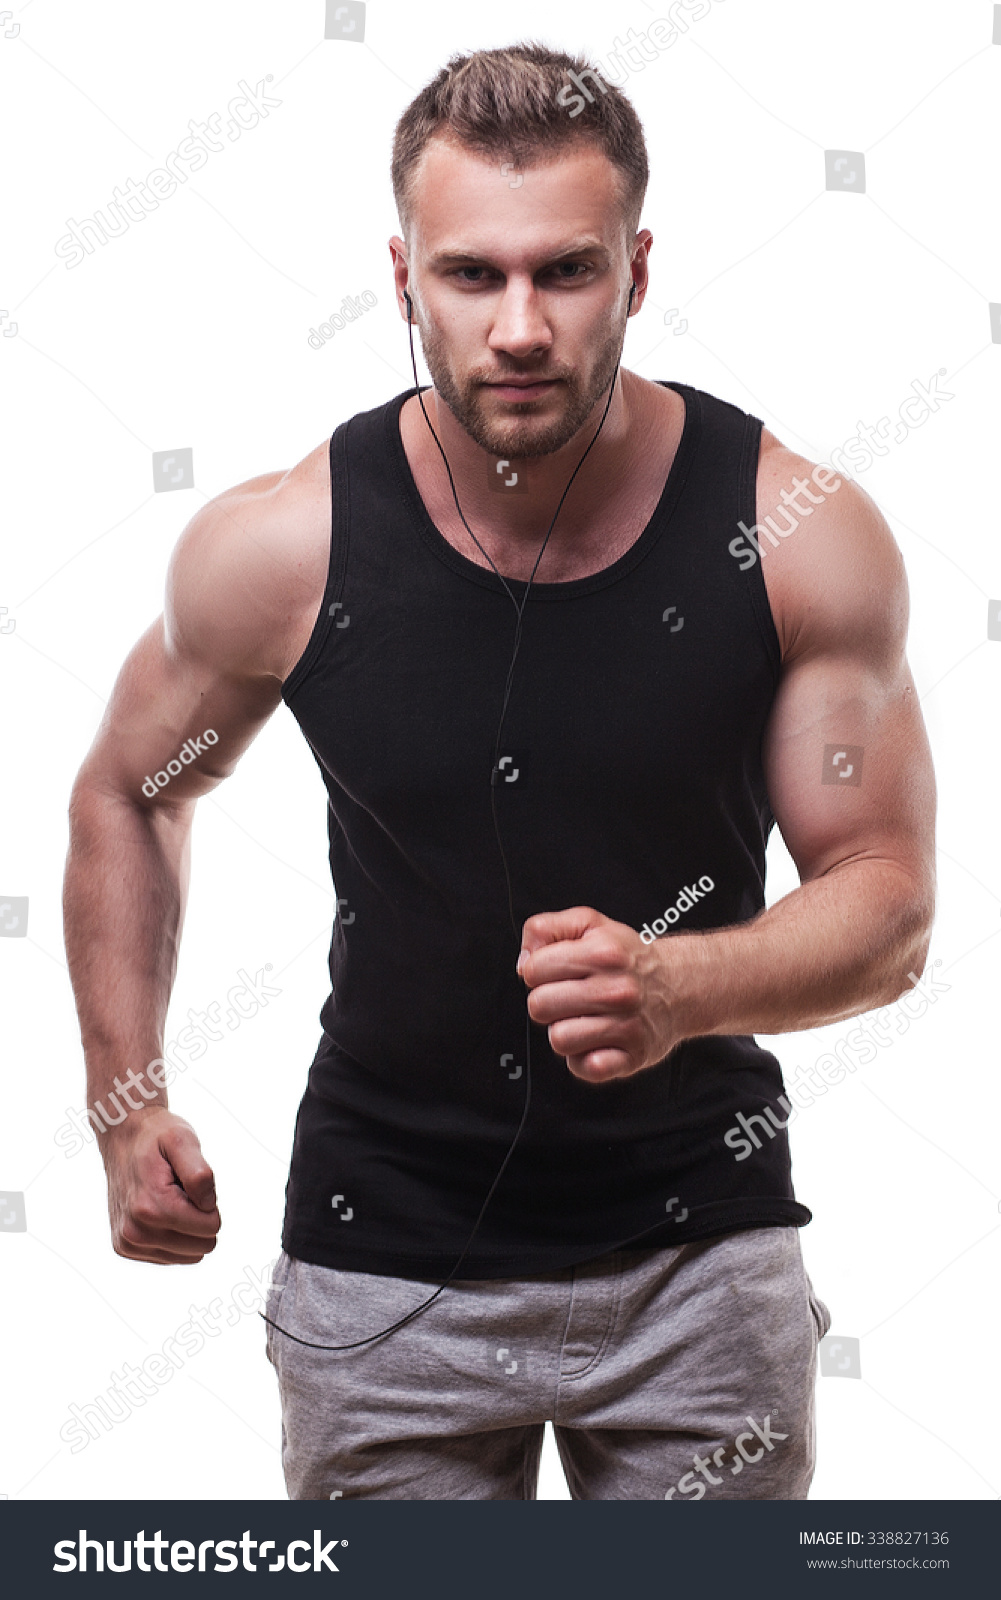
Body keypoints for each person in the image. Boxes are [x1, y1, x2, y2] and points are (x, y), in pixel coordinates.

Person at [63, 43, 936, 1501]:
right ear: (401, 279)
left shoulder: (792, 532)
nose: (519, 326)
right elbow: (134, 788)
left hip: (697, 1262)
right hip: (383, 1254)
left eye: (566, 272)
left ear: (638, 270)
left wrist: (679, 988)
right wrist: (125, 1101)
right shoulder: (283, 548)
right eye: (472, 276)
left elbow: (889, 901)